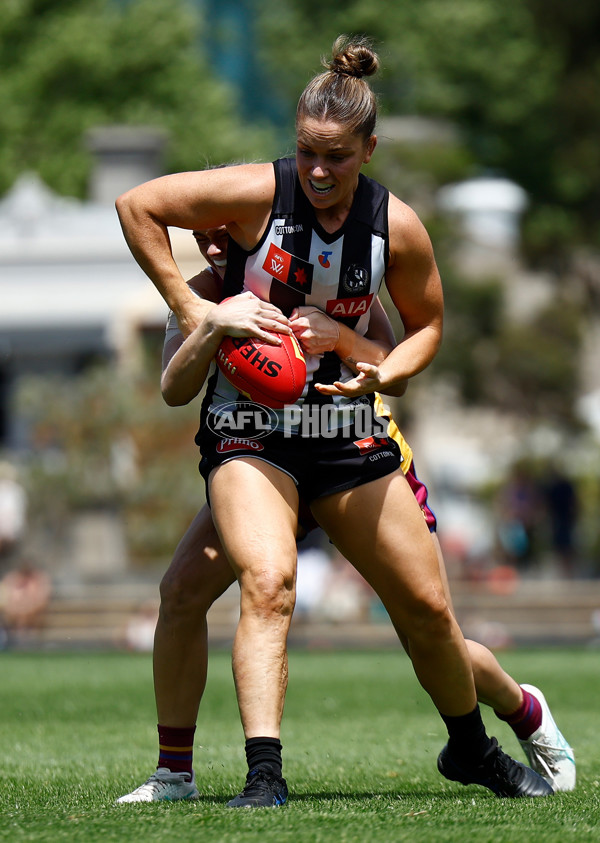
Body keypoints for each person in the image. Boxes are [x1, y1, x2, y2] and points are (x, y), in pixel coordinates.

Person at [116, 35, 555, 803]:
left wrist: (379, 369)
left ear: (369, 148)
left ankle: (486, 734)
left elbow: (424, 330)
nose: (319, 172)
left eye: (338, 157)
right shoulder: (253, 202)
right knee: (266, 582)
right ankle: (254, 775)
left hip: (345, 438)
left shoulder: (397, 227)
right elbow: (137, 204)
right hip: (253, 441)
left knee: (427, 611)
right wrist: (196, 311)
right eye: (306, 153)